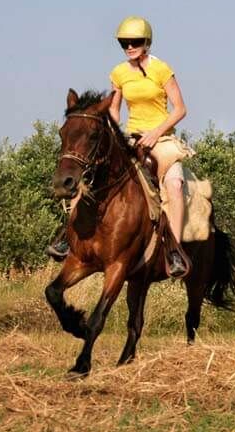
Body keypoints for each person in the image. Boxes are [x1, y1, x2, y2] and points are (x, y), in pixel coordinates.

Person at [47, 16, 191, 278]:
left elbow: (180, 109)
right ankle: (68, 237)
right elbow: (113, 110)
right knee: (88, 179)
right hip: (131, 138)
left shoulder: (162, 70)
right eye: (125, 43)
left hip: (162, 139)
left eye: (135, 42)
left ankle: (174, 251)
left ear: (146, 42)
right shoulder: (119, 73)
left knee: (174, 185)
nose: (130, 47)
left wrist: (156, 132)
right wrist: (113, 136)